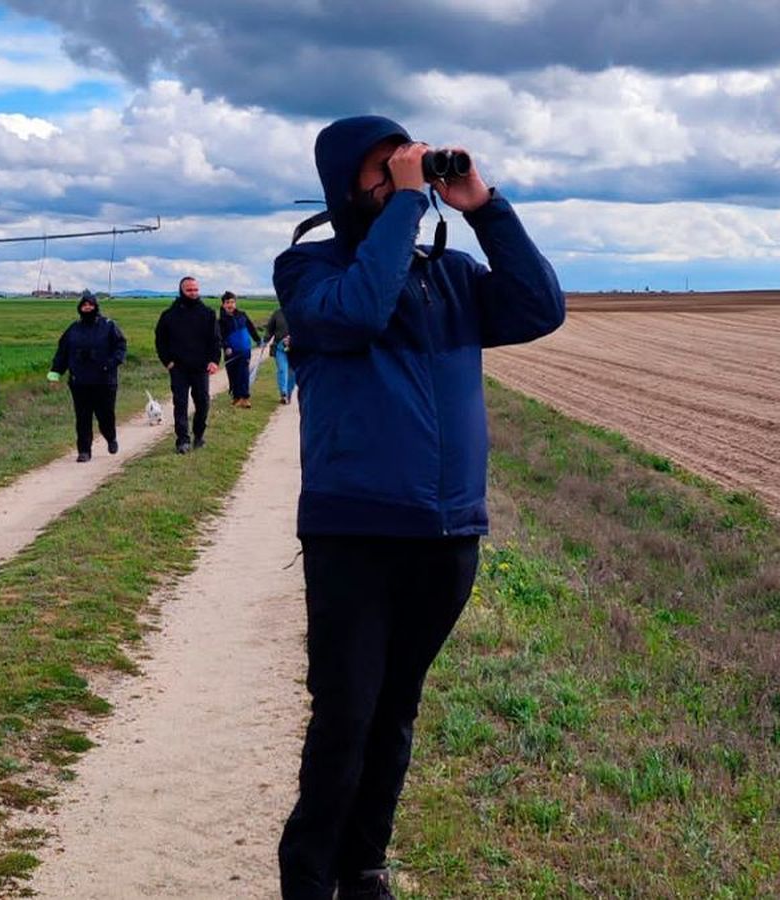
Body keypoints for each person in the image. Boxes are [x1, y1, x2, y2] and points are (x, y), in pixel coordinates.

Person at [273, 116, 565, 899]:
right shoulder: (308, 272)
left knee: (395, 711)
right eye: (380, 170)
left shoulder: (454, 277)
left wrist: (483, 205)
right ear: (344, 186)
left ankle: (364, 867)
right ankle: (307, 877)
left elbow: (541, 308)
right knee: (346, 715)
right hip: (355, 530)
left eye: (405, 164)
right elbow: (361, 311)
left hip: (447, 531)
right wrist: (406, 204)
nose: (400, 177)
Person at [49, 289, 128, 462]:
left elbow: (121, 347)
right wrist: (55, 373)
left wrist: (111, 363)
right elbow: (62, 352)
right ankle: (84, 451)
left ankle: (110, 437)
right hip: (80, 381)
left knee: (105, 415)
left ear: (96, 307)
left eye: (90, 305)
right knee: (82, 417)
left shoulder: (108, 326)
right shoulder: (73, 329)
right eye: (84, 305)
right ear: (79, 308)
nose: (87, 308)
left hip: (104, 381)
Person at [153, 275, 221, 453]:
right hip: (179, 368)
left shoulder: (207, 314)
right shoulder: (169, 315)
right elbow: (160, 340)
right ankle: (182, 440)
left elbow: (215, 340)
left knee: (203, 403)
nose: (193, 293)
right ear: (181, 291)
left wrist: (214, 361)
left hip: (200, 368)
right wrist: (167, 362)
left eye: (196, 289)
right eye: (189, 290)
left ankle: (199, 434)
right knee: (180, 404)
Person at [217, 291, 262, 407]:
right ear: (223, 304)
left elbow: (251, 327)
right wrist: (226, 347)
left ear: (235, 303)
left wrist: (257, 340)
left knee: (243, 374)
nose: (230, 305)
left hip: (245, 350)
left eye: (232, 302)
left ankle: (245, 398)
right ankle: (236, 397)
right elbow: (219, 337)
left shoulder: (242, 315)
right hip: (230, 352)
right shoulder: (220, 321)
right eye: (227, 302)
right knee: (233, 375)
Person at [262, 306, 295, 404]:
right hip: (280, 348)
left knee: (292, 373)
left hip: (295, 349)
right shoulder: (277, 313)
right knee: (282, 369)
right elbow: (269, 329)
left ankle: (288, 393)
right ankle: (283, 394)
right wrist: (265, 340)